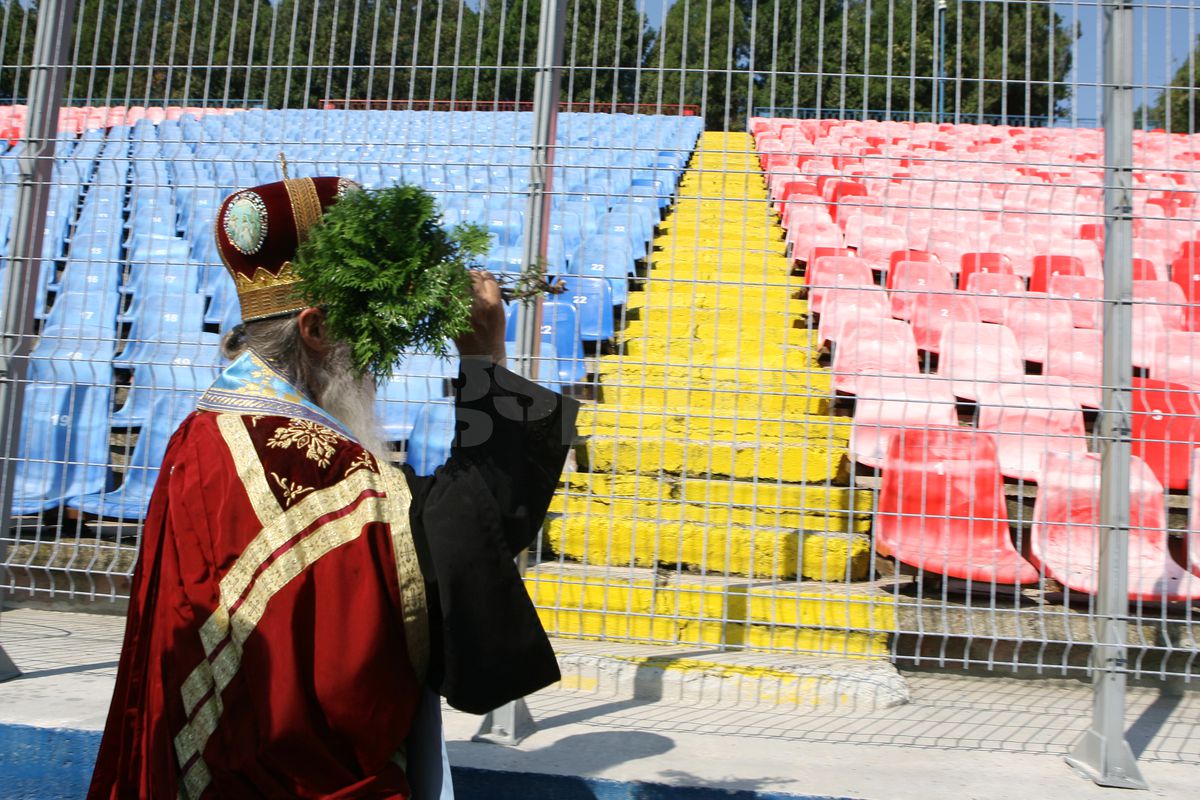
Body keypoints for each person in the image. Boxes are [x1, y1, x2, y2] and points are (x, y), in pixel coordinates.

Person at [87, 176, 577, 799]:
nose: (375, 365)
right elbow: (466, 539)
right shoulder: (320, 470)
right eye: (366, 335)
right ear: (315, 331)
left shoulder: (200, 433)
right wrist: (485, 362)